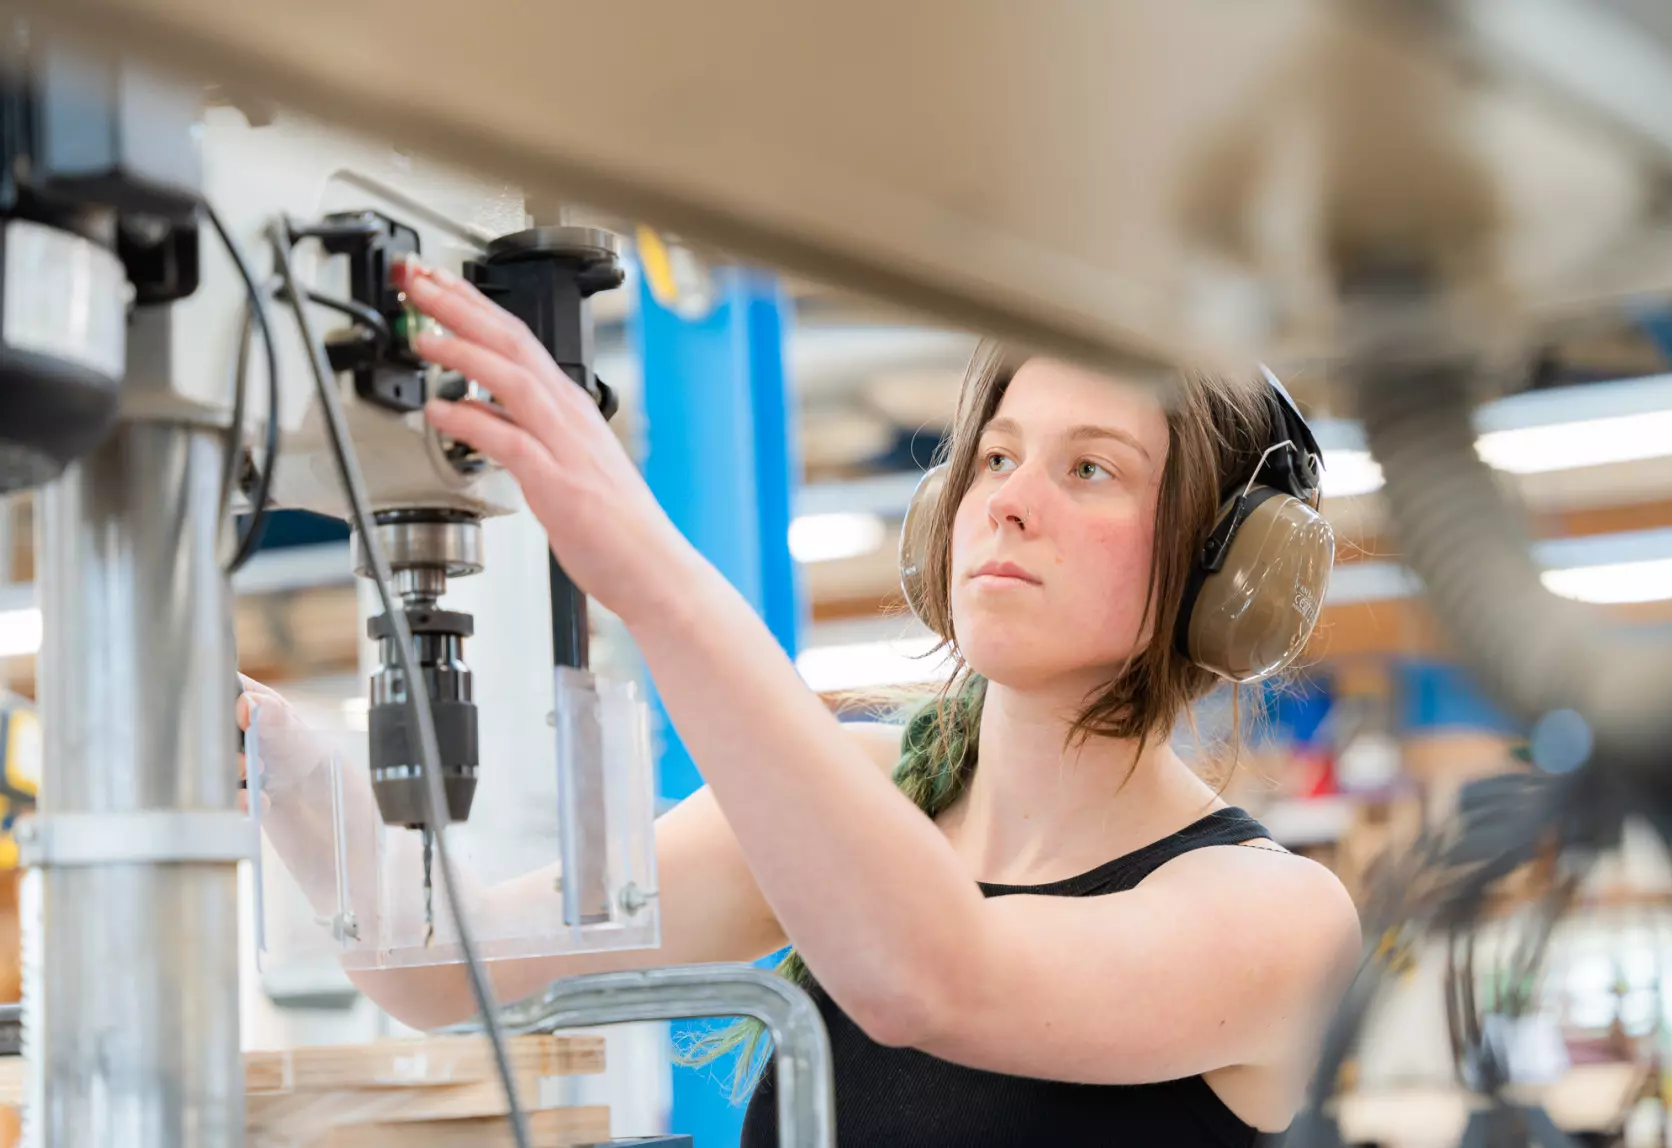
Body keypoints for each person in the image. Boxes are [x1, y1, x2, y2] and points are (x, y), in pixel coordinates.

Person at [239, 257, 1360, 1147]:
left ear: (1227, 573)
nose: (1008, 502)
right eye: (996, 457)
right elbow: (446, 966)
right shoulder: (873, 793)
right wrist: (275, 750)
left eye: (1090, 470)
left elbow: (928, 978)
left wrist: (643, 567)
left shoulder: (1277, 920)